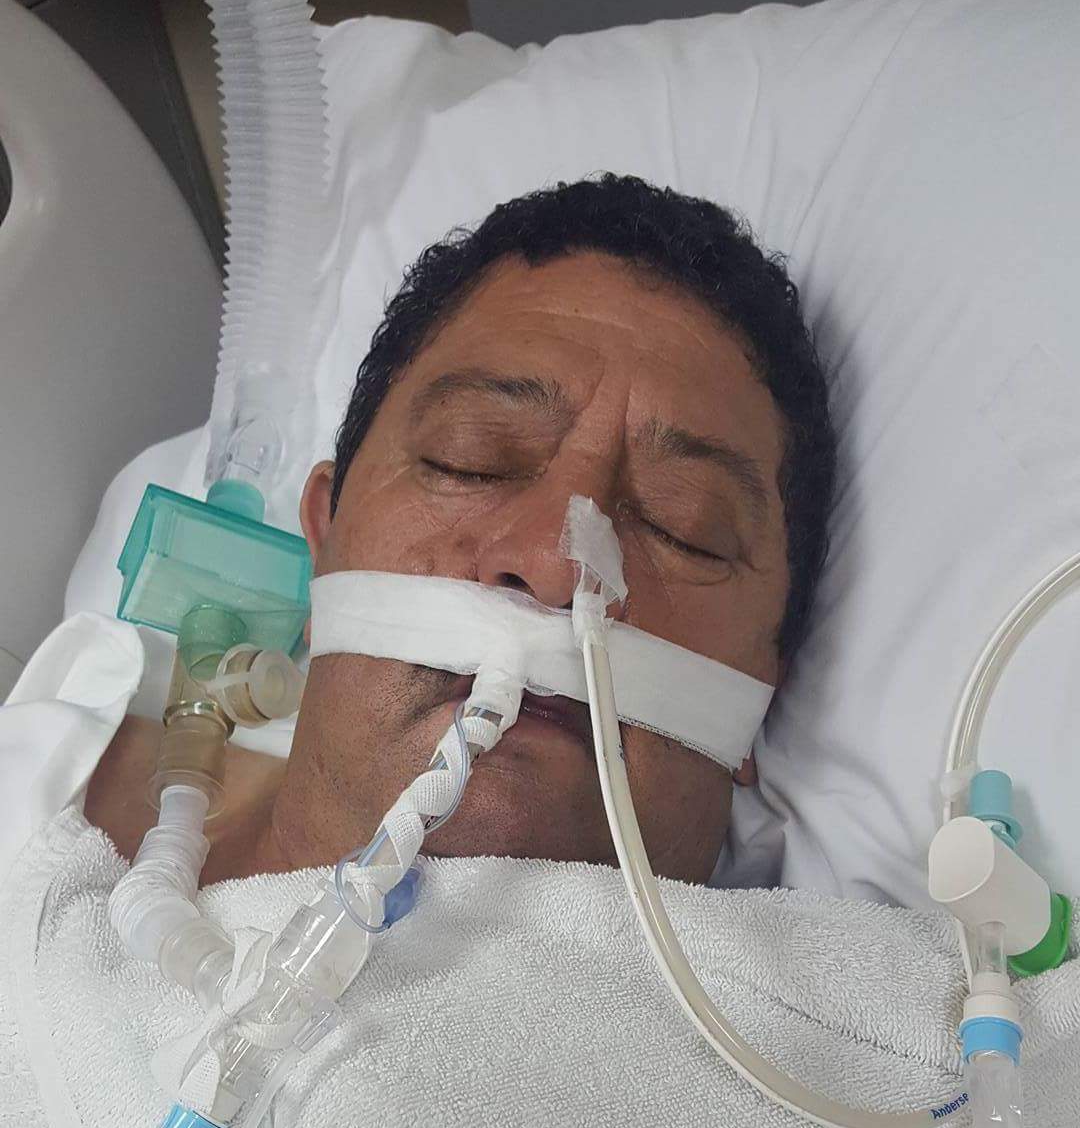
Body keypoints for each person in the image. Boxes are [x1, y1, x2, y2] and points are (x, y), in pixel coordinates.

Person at [85, 173, 835, 885]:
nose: (557, 567)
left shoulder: (875, 979)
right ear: (325, 542)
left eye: (680, 527)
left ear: (767, 686)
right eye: (471, 459)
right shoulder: (49, 809)